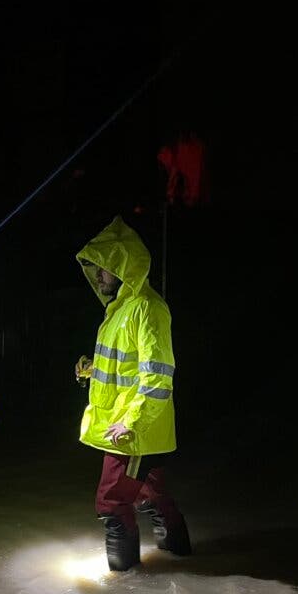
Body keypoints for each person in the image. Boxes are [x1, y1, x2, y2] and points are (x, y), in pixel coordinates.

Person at [73, 216, 191, 571]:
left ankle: (124, 580)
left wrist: (132, 421)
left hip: (133, 430)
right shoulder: (120, 310)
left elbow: (157, 374)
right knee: (149, 495)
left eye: (104, 268)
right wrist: (91, 372)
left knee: (111, 502)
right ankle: (178, 554)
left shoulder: (147, 308)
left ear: (122, 266)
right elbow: (125, 368)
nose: (98, 277)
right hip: (128, 426)